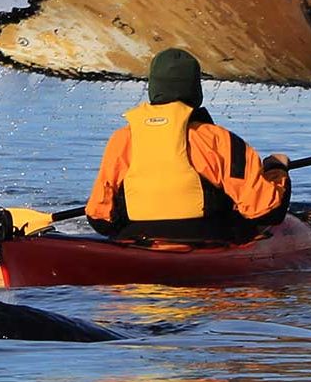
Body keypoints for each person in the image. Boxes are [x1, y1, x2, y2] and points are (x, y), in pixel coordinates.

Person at [86, 47, 291, 242]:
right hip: (208, 239)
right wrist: (277, 168)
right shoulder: (219, 139)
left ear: (154, 89)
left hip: (136, 238)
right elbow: (265, 211)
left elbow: (100, 219)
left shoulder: (121, 140)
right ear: (195, 90)